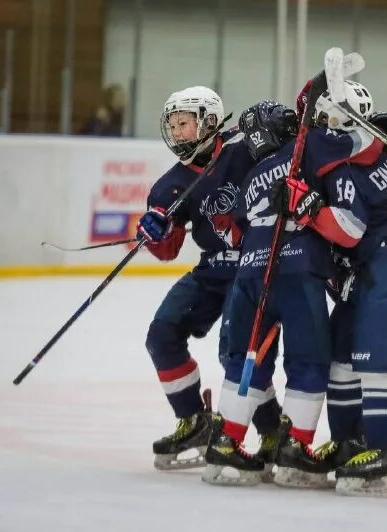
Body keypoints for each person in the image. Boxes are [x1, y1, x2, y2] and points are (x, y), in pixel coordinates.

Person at [284, 80, 387, 497]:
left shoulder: (346, 165)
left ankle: (384, 453)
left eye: (315, 121)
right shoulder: (376, 149)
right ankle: (352, 444)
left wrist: (308, 208)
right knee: (341, 354)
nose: (310, 131)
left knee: (372, 357)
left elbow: (349, 229)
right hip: (380, 262)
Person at [138, 86, 280, 471]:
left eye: (184, 123)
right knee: (162, 334)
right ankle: (194, 420)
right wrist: (157, 232)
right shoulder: (169, 185)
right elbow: (168, 250)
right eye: (173, 124)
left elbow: (286, 154)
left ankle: (272, 431)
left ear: (210, 123)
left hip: (257, 262)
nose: (177, 131)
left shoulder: (242, 149)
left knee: (236, 348)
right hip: (215, 266)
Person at [202, 100, 333, 488]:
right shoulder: (299, 151)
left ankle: (225, 446)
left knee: (248, 361)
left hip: (249, 277)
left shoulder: (250, 180)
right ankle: (295, 452)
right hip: (295, 271)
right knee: (309, 361)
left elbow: (238, 231)